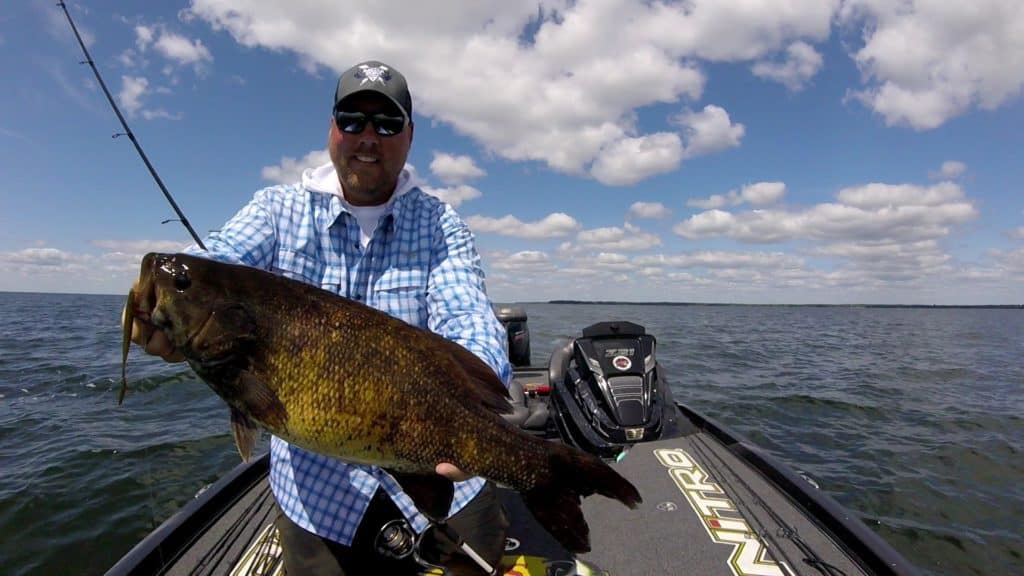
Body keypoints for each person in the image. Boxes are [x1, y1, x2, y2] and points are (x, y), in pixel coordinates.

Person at [126, 60, 512, 574]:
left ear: (410, 136)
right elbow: (219, 260)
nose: (367, 136)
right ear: (332, 128)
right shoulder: (276, 210)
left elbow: (467, 315)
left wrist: (474, 422)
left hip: (447, 485)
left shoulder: (443, 225)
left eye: (387, 123)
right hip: (320, 503)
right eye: (352, 119)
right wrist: (155, 305)